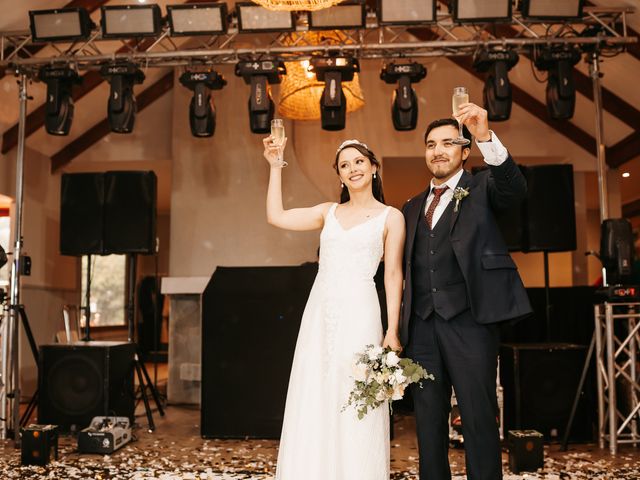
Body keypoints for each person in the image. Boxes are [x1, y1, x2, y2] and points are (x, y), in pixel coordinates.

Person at [401, 103, 533, 480]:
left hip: (471, 321)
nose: (437, 151)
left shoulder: (481, 187)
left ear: (464, 151)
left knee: (477, 416)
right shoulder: (411, 207)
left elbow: (514, 189)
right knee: (427, 422)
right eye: (430, 144)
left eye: (447, 143)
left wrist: (485, 134)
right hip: (422, 327)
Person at [264, 135, 405, 479]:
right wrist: (275, 166)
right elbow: (276, 216)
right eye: (344, 165)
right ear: (339, 177)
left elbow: (393, 274)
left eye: (359, 161)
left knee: (355, 395)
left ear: (373, 167)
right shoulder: (328, 212)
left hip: (361, 311)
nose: (352, 168)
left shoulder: (391, 217)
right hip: (320, 314)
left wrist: (392, 330)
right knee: (316, 392)